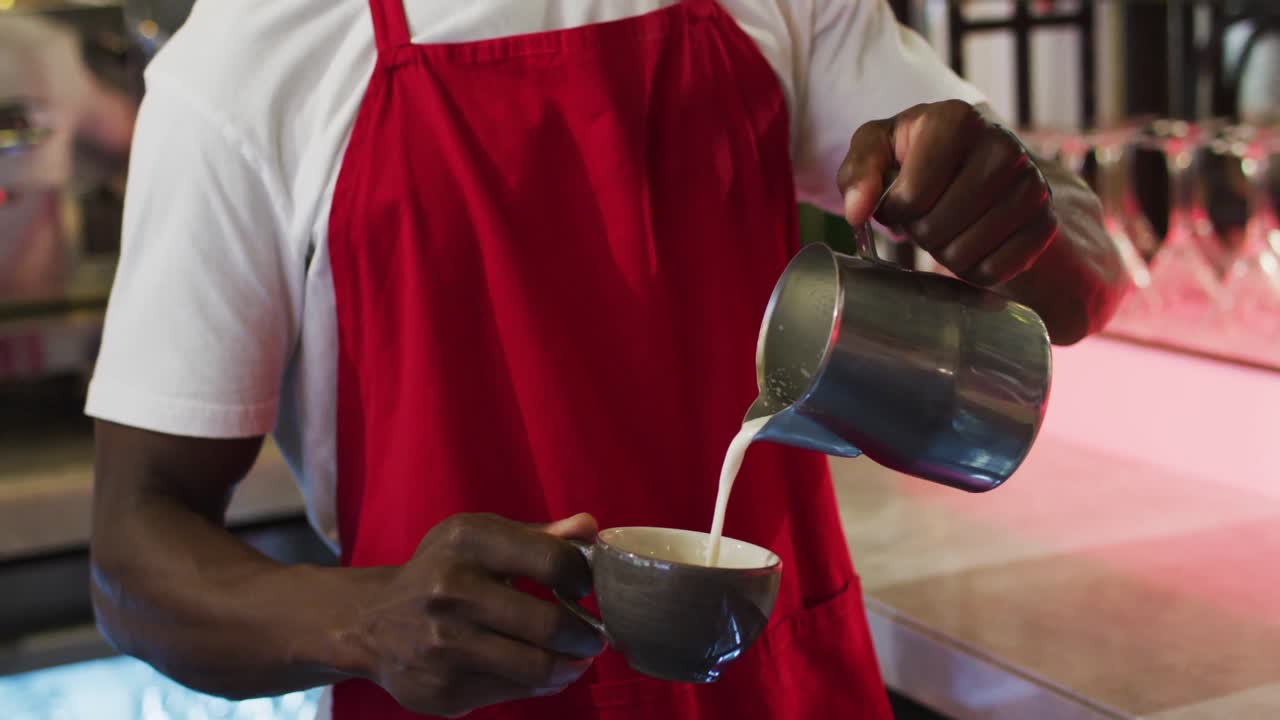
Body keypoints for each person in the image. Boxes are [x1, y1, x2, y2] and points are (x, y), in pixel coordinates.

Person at [87, 1, 1128, 719]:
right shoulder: (249, 56)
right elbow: (134, 558)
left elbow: (1085, 280)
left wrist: (1012, 208)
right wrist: (362, 620)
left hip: (777, 693)